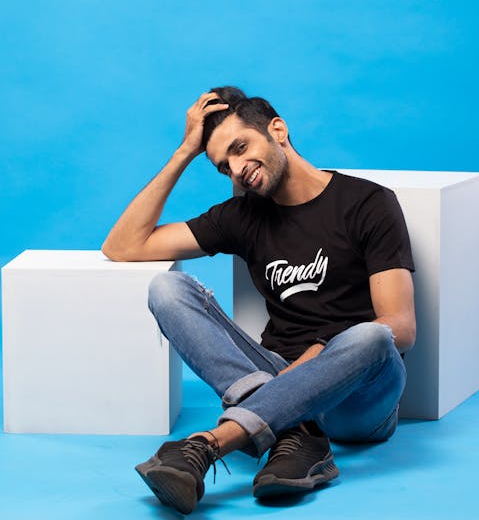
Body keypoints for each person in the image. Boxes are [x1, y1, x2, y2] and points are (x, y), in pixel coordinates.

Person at [102, 86, 416, 515]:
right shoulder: (244, 217)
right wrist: (183, 153)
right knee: (166, 288)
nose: (236, 169)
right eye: (222, 165)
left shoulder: (367, 203)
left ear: (278, 130)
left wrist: (320, 357)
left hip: (355, 399)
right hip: (274, 372)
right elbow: (123, 245)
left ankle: (208, 445)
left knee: (372, 338)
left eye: (240, 147)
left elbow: (400, 327)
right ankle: (296, 435)